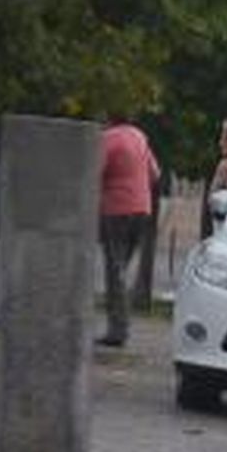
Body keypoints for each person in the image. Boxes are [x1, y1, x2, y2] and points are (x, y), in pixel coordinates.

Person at [98, 114, 160, 348]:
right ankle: (120, 327)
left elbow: (96, 171)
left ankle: (118, 331)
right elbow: (155, 174)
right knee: (121, 268)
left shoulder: (108, 138)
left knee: (115, 270)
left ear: (109, 120)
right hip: (141, 209)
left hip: (117, 209)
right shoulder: (140, 136)